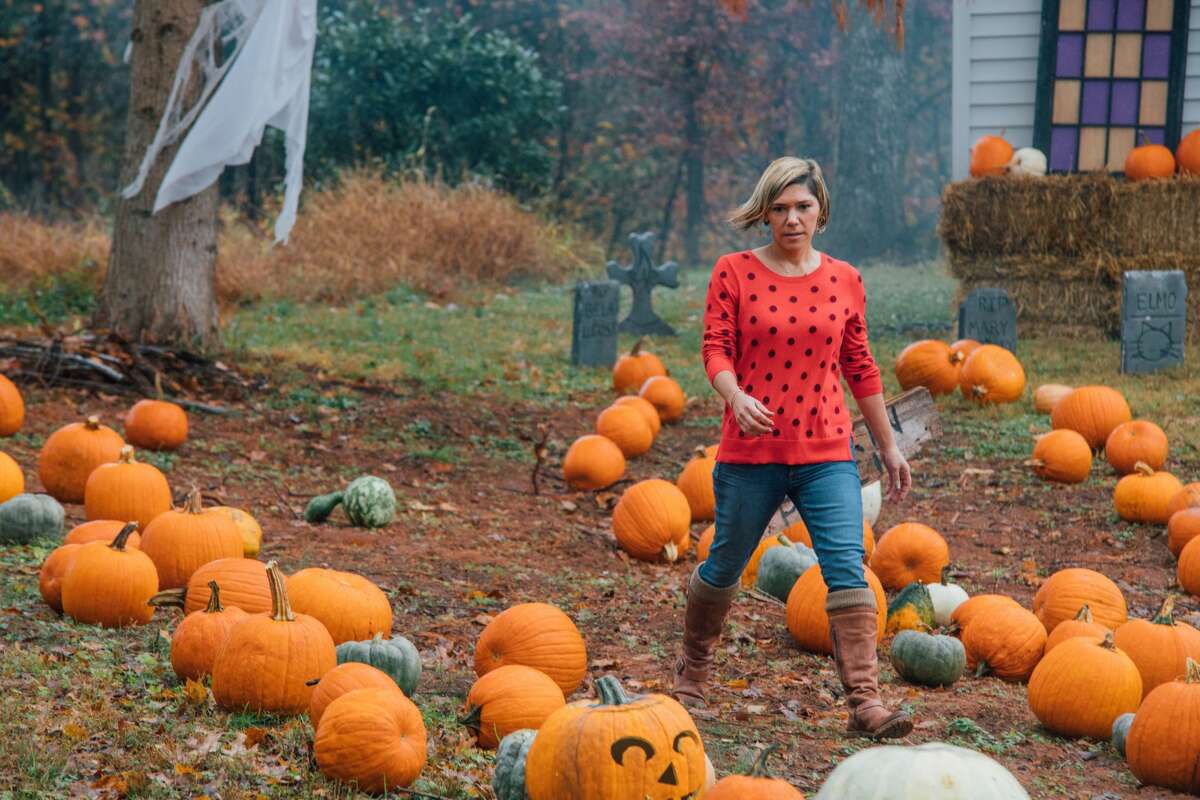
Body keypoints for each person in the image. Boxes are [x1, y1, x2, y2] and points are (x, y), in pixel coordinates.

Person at [673, 156, 914, 739]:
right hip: (750, 453)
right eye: (779, 208)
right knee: (726, 563)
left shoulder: (845, 279)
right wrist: (734, 396)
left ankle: (865, 703)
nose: (791, 219)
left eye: (802, 207)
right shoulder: (733, 271)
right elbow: (715, 349)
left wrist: (889, 446)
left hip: (826, 450)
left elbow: (860, 366)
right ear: (765, 214)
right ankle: (692, 675)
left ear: (821, 210)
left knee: (847, 569)